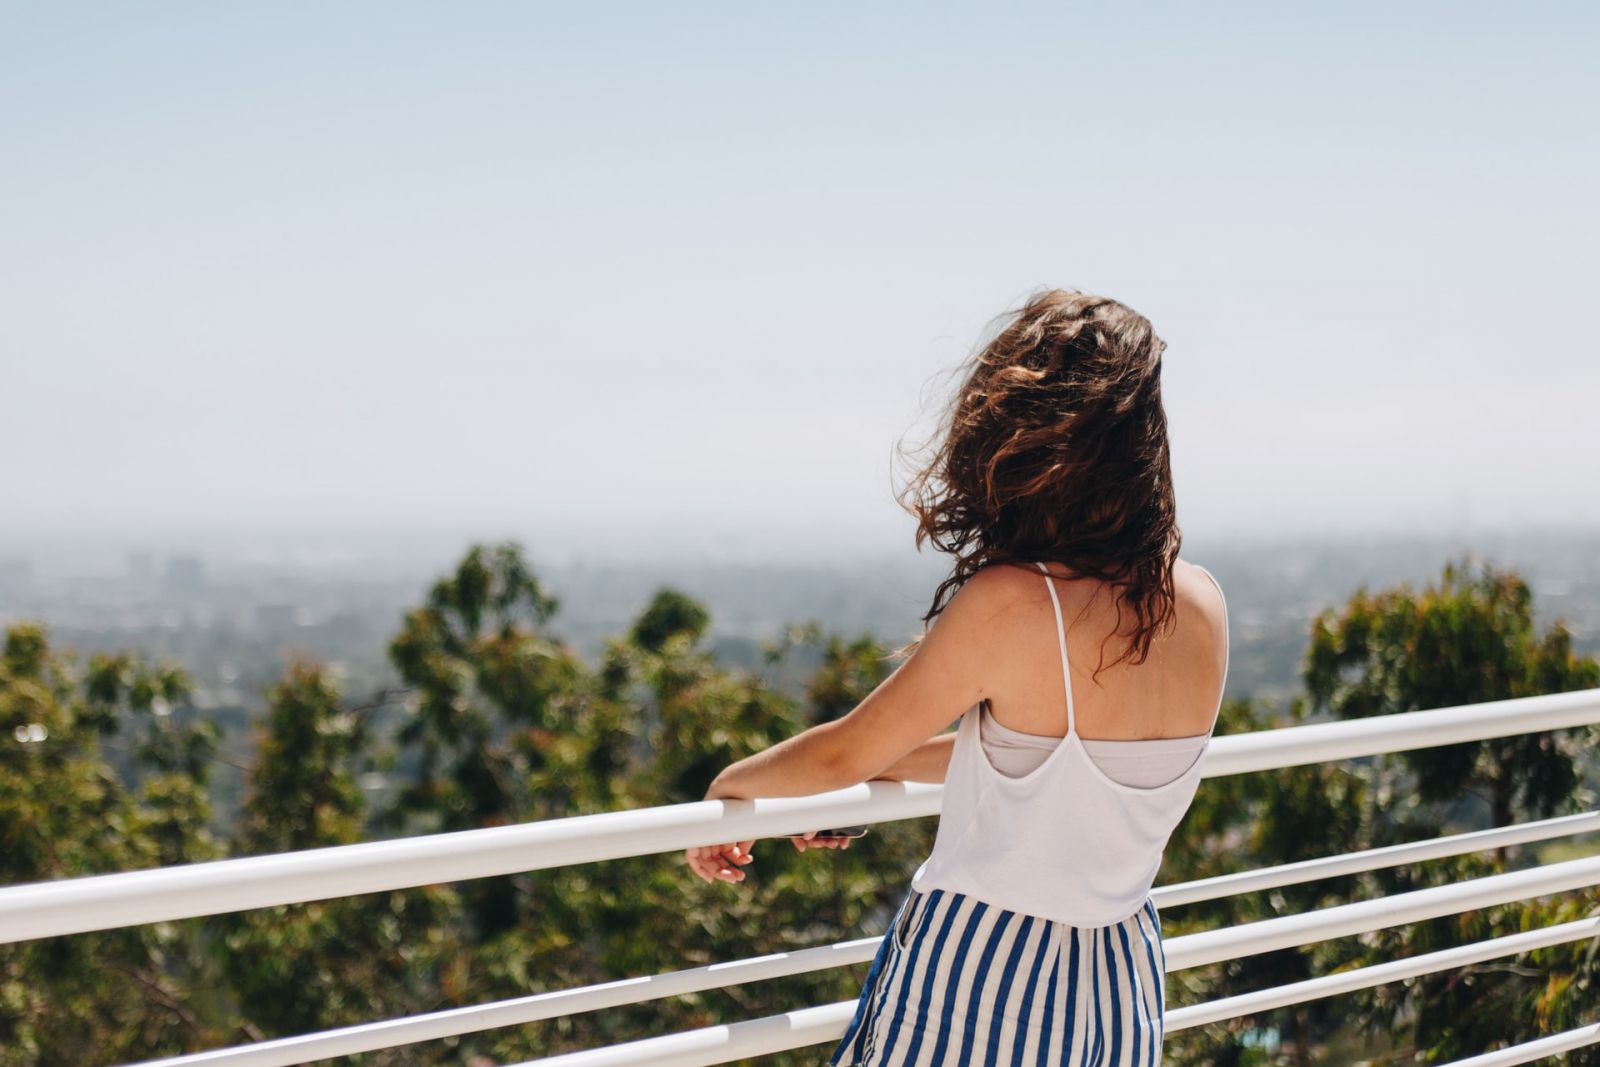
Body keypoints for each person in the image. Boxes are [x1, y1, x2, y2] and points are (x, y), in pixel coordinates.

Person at [684, 287, 1230, 1066]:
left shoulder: (1013, 602)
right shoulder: (1200, 604)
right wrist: (834, 781)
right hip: (1119, 979)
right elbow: (1043, 767)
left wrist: (731, 786)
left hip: (987, 974)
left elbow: (844, 750)